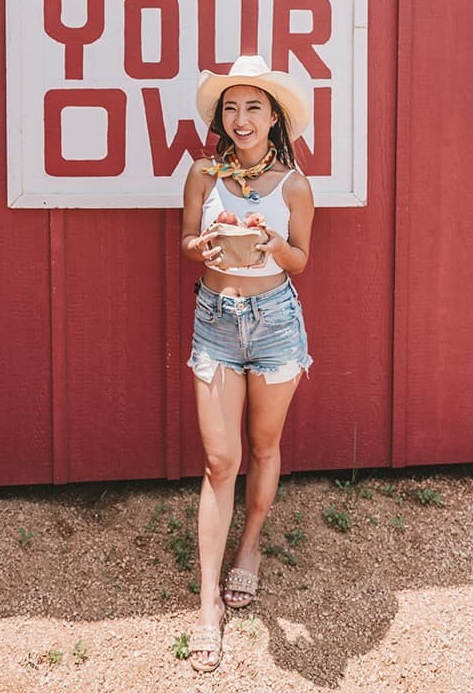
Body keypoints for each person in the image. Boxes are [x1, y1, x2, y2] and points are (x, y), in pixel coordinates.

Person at [180, 55, 315, 673]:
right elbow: (186, 242)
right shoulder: (203, 174)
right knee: (219, 459)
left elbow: (301, 261)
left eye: (253, 107)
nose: (240, 118)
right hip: (216, 321)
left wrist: (270, 243)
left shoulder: (294, 185)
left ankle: (251, 548)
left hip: (276, 326)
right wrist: (202, 244)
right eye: (231, 107)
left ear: (275, 117)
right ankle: (209, 603)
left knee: (263, 448)